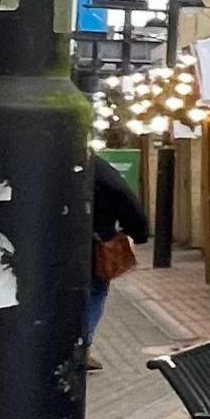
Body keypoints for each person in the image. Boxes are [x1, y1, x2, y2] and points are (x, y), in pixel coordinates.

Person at [85, 153, 145, 370]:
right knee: (95, 292)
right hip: (95, 244)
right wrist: (139, 232)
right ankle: (82, 345)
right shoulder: (97, 168)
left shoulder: (47, 161)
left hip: (53, 244)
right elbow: (123, 196)